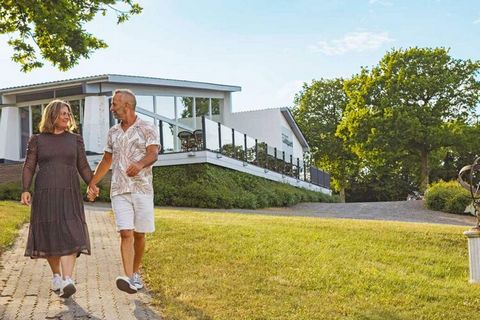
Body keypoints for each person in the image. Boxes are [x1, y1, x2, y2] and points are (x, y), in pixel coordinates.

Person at [87, 89, 160, 294]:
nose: (112, 108)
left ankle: (135, 273)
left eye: (114, 105)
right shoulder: (113, 132)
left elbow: (153, 154)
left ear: (127, 105)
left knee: (139, 234)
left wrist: (139, 164)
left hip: (142, 189)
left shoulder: (147, 127)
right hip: (119, 189)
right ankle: (128, 278)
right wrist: (92, 182)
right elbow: (107, 160)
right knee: (125, 232)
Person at [21, 99, 93, 299]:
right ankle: (56, 276)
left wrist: (92, 184)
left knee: (72, 231)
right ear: (52, 115)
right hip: (45, 193)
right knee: (50, 234)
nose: (67, 116)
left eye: (68, 113)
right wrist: (25, 189)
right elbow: (28, 166)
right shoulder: (37, 140)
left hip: (69, 192)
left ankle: (68, 279)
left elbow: (84, 166)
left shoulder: (75, 139)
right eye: (63, 113)